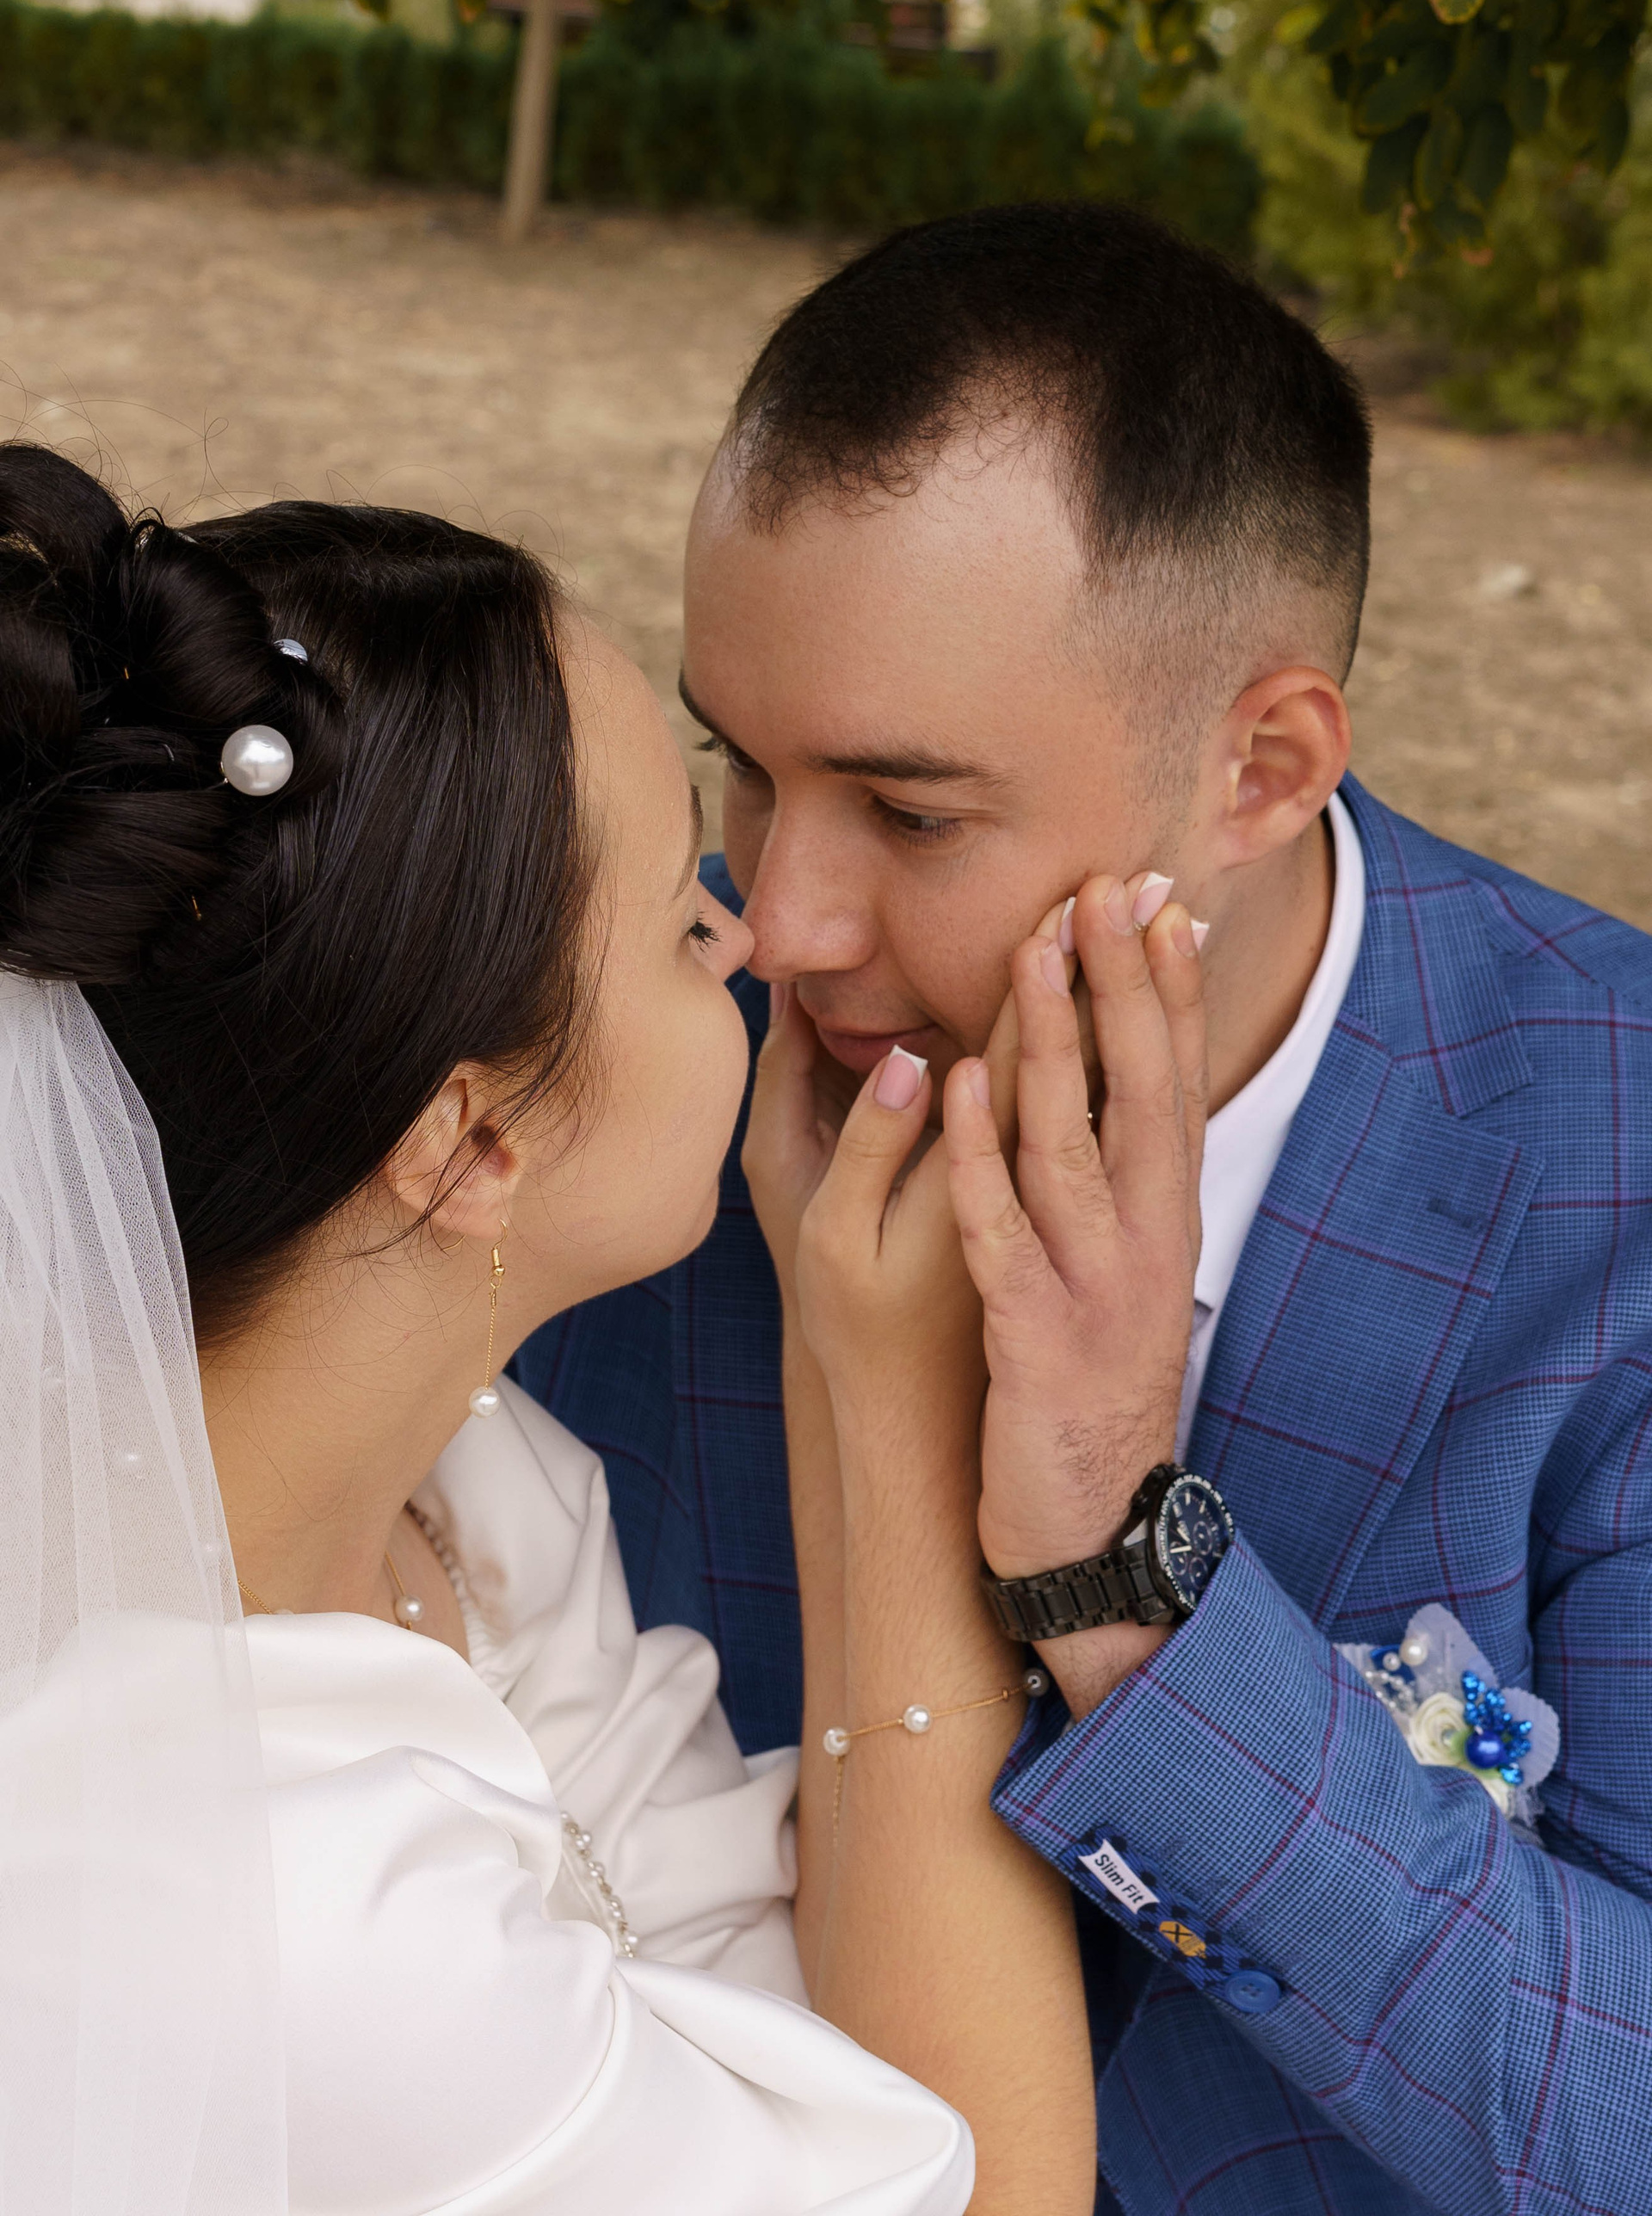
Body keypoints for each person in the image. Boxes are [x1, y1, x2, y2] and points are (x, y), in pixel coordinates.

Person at [519, 202, 1652, 2216]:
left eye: (910, 810)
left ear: (1262, 768)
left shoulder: (1618, 1167)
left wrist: (1132, 1592)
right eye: (740, 766)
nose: (784, 920)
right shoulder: (626, 1095)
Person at [0, 442, 1199, 2212]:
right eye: (676, 922)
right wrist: (886, 1402)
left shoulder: (471, 1493)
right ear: (471, 1143)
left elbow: (752, 1992)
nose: (758, 936)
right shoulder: (296, 1912)